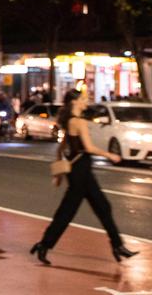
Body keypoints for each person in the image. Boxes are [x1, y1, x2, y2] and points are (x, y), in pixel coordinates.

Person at [31, 89, 137, 265]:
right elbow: (88, 148)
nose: (86, 102)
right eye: (83, 99)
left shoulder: (70, 122)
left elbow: (62, 148)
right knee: (69, 211)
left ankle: (118, 246)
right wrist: (110, 155)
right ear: (75, 103)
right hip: (81, 170)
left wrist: (59, 173)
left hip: (79, 169)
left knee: (101, 207)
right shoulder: (79, 122)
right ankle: (44, 244)